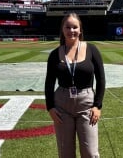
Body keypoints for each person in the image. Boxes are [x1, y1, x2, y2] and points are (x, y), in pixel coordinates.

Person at [44, 12, 106, 158]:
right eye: (68, 27)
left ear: (80, 30)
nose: (71, 30)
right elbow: (49, 83)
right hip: (62, 106)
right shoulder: (55, 54)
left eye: (75, 27)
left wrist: (97, 105)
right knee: (65, 153)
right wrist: (50, 107)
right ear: (62, 30)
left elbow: (101, 79)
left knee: (90, 153)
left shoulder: (92, 50)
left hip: (87, 104)